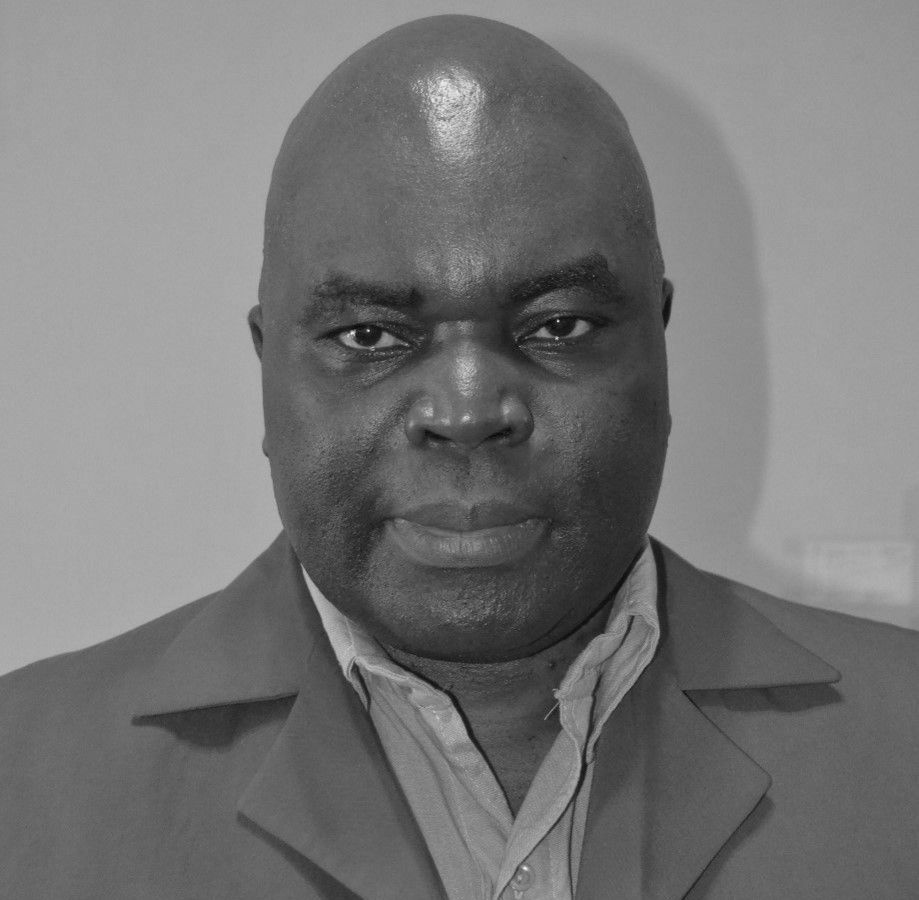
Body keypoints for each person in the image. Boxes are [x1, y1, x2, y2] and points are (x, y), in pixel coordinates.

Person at [1, 14, 916, 900]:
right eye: (368, 335)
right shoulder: (23, 787)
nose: (468, 411)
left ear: (659, 341)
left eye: (558, 324)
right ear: (267, 360)